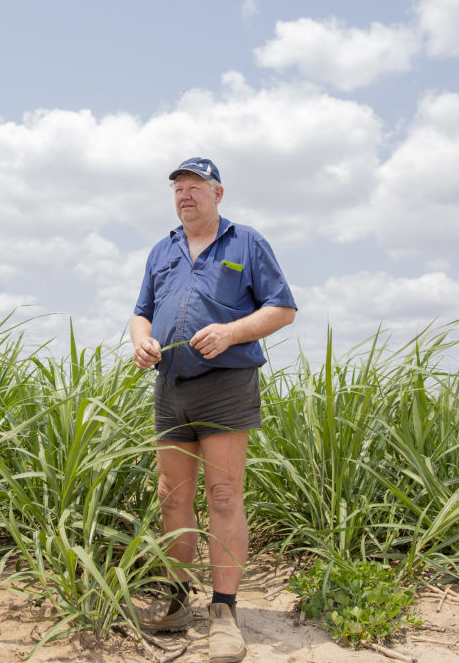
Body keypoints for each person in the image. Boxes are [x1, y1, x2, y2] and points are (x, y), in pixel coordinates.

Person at [131, 157, 296, 662]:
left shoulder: (245, 242)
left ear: (217, 194)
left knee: (224, 494)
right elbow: (140, 312)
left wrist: (230, 332)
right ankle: (179, 601)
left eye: (196, 187)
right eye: (179, 188)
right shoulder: (163, 249)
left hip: (226, 385)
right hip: (171, 385)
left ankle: (224, 612)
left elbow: (282, 308)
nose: (186, 195)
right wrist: (141, 342)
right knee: (170, 496)